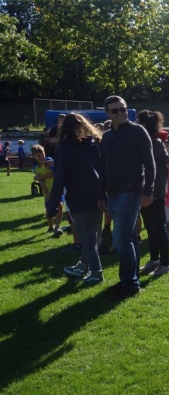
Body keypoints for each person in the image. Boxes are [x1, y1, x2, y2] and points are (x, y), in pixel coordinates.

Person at [98, 95, 156, 301]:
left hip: (131, 191)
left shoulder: (137, 131)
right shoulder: (106, 137)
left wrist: (148, 191)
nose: (121, 113)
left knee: (120, 239)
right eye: (115, 111)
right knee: (129, 238)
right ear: (108, 114)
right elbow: (103, 167)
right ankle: (130, 279)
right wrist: (101, 193)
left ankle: (129, 283)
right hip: (112, 193)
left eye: (123, 109)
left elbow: (150, 164)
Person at [45, 113, 105, 284]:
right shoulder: (96, 143)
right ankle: (83, 265)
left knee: (87, 237)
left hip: (79, 195)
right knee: (94, 234)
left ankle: (95, 272)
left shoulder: (65, 147)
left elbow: (60, 176)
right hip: (100, 194)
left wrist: (52, 204)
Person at [136, 110, 169, 277]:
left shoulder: (155, 143)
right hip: (146, 190)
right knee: (150, 226)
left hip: (155, 191)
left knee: (159, 227)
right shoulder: (149, 141)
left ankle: (165, 263)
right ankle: (154, 259)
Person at [31, 144, 63, 236]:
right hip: (48, 190)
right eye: (38, 156)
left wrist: (41, 176)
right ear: (34, 157)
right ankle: (51, 226)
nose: (41, 157)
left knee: (60, 205)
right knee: (49, 210)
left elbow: (55, 173)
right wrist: (46, 193)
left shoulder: (49, 161)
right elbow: (41, 181)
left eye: (42, 154)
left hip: (58, 188)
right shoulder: (36, 168)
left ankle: (58, 227)